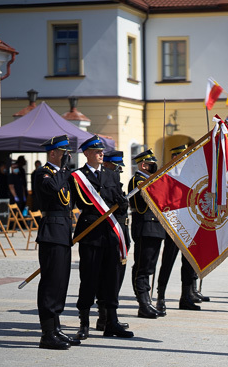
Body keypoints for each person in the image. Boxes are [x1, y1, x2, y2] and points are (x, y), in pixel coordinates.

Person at [71, 135, 133, 339]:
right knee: (89, 278)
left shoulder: (111, 175)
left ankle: (111, 321)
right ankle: (84, 323)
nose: (101, 154)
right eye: (97, 152)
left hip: (110, 234)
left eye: (101, 151)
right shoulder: (77, 177)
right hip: (91, 234)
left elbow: (118, 200)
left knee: (111, 278)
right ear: (86, 154)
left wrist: (122, 204)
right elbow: (81, 204)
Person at [35, 135, 80, 350]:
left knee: (61, 283)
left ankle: (56, 328)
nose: (66, 157)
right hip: (51, 231)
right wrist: (64, 170)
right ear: (53, 153)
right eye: (63, 153)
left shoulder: (63, 175)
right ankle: (47, 333)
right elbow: (52, 188)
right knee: (50, 283)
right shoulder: (42, 173)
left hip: (63, 233)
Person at [153, 145, 203, 314]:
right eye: (180, 157)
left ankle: (186, 297)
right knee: (167, 262)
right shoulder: (166, 175)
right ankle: (161, 297)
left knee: (188, 263)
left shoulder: (191, 176)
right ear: (174, 157)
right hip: (173, 224)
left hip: (189, 224)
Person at [95, 150, 130, 331]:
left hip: (121, 235)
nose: (118, 170)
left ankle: (108, 317)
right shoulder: (100, 181)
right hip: (109, 236)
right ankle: (105, 317)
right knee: (107, 278)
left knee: (116, 277)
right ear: (107, 164)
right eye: (116, 167)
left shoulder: (115, 181)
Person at [128, 149, 165, 319]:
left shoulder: (149, 180)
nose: (154, 167)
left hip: (156, 228)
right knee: (142, 267)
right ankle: (143, 303)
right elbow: (143, 205)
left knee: (150, 266)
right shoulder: (137, 180)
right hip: (145, 227)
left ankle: (147, 301)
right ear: (144, 165)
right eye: (151, 165)